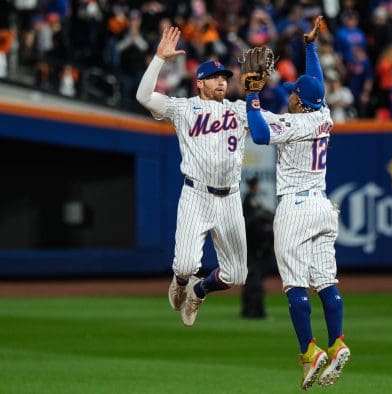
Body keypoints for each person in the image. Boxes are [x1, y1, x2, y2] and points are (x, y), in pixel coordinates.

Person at [243, 16, 350, 390]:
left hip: (297, 208)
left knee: (294, 285)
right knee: (326, 280)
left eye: (292, 92)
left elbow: (258, 132)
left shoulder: (296, 123)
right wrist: (309, 48)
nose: (288, 94)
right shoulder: (324, 114)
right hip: (323, 207)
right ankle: (337, 342)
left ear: (299, 102)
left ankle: (309, 350)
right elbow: (316, 83)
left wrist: (251, 96)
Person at [136, 26, 249, 327]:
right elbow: (143, 96)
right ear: (200, 83)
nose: (222, 81)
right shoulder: (185, 109)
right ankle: (181, 281)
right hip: (197, 194)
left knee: (237, 274)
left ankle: (199, 290)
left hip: (230, 198)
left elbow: (271, 128)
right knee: (185, 264)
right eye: (215, 77)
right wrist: (159, 58)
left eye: (224, 77)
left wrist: (257, 95)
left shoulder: (240, 110)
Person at [241, 176, 274, 319]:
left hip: (252, 247)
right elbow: (252, 220)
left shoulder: (252, 199)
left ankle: (248, 311)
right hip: (251, 247)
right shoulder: (249, 199)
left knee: (252, 281)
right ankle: (255, 312)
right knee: (254, 282)